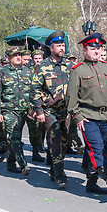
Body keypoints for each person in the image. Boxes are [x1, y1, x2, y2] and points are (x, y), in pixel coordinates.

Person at [67, 33, 107, 194]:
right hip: (87, 117)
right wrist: (77, 116)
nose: (96, 51)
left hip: (105, 117)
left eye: (98, 48)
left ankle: (91, 183)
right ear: (84, 50)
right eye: (92, 48)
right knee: (97, 148)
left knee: (96, 149)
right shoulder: (78, 70)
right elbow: (71, 97)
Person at [30, 31, 71, 188]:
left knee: (65, 141)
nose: (62, 48)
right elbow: (34, 89)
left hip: (66, 111)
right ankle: (60, 175)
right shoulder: (43, 66)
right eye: (59, 45)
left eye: (63, 45)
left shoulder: (69, 66)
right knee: (55, 141)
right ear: (51, 47)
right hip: (50, 111)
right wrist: (39, 111)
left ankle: (54, 169)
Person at [0, 46, 31, 175]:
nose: (18, 57)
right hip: (9, 110)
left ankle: (10, 163)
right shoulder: (2, 72)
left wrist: (33, 109)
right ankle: (23, 164)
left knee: (14, 138)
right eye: (15, 55)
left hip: (24, 110)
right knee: (14, 137)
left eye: (19, 54)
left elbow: (32, 91)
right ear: (9, 58)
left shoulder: (27, 71)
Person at [22, 49, 45, 162]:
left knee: (43, 128)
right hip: (31, 105)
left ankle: (41, 145)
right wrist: (31, 107)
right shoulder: (28, 71)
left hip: (43, 103)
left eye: (40, 58)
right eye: (36, 59)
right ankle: (35, 151)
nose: (38, 61)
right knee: (34, 129)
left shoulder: (46, 69)